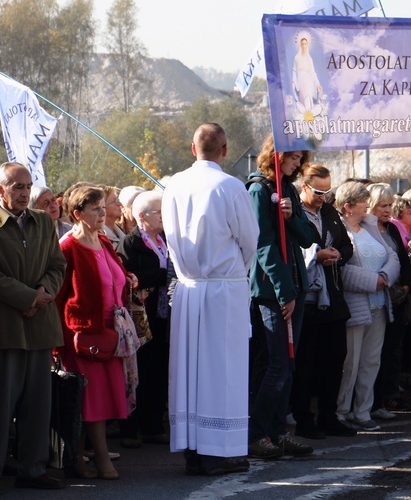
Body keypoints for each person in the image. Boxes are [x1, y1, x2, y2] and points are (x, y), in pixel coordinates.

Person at [162, 123, 258, 475]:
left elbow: (170, 240)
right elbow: (250, 239)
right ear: (225, 150)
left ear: (192, 149)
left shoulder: (174, 185)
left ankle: (193, 447)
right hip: (223, 287)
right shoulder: (230, 186)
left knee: (191, 369)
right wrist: (236, 274)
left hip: (188, 287)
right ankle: (219, 451)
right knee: (223, 369)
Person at [0, 162, 66, 496]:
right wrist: (28, 298)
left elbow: (57, 265)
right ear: (0, 190)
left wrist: (42, 294)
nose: (25, 193)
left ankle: (33, 469)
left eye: (28, 186)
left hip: (40, 324)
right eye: (17, 187)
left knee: (39, 405)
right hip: (6, 324)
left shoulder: (42, 221)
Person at [56, 184, 137, 480]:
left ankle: (79, 458)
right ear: (77, 214)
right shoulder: (67, 247)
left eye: (104, 207)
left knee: (97, 402)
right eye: (96, 209)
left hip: (110, 334)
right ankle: (100, 460)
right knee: (89, 402)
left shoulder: (103, 241)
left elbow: (114, 279)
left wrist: (129, 280)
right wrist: (58, 346)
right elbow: (58, 298)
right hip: (83, 337)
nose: (103, 213)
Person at [248, 134, 318, 459]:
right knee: (276, 362)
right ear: (277, 155)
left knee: (286, 363)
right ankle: (258, 433)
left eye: (300, 160)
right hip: (272, 289)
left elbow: (308, 238)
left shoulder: (289, 190)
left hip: (295, 284)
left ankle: (277, 431)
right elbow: (262, 245)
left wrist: (291, 218)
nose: (296, 165)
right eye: (292, 158)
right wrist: (283, 291)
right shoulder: (259, 190)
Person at [290, 164, 355, 439]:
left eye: (328, 192)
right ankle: (304, 419)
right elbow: (292, 249)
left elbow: (347, 246)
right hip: (306, 300)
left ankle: (329, 416)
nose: (323, 197)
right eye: (318, 191)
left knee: (334, 358)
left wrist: (338, 254)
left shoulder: (329, 211)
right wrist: (314, 257)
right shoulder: (293, 213)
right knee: (305, 364)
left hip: (332, 298)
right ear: (303, 187)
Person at [333, 182, 399, 431]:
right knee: (349, 363)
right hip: (355, 306)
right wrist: (373, 281)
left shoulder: (370, 227)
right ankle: (341, 412)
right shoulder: (338, 231)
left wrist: (385, 276)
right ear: (349, 206)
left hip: (380, 305)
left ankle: (362, 412)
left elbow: (391, 255)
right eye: (364, 201)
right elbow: (341, 269)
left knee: (371, 361)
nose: (367, 205)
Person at [117, 190, 171, 448]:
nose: (162, 217)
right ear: (141, 215)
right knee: (140, 371)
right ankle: (130, 428)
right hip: (141, 316)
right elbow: (130, 277)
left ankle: (153, 425)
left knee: (159, 370)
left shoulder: (165, 240)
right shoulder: (131, 242)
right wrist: (160, 276)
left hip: (163, 315)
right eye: (157, 212)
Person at [368, 184, 411, 421]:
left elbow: (403, 260)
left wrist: (406, 285)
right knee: (374, 353)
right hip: (375, 299)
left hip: (397, 299)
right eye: (382, 206)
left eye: (389, 206)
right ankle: (372, 401)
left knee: (392, 350)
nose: (387, 210)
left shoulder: (393, 229)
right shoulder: (364, 230)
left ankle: (389, 393)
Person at [292, 32, 322, 110]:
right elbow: (294, 71)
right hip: (300, 80)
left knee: (308, 97)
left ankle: (311, 116)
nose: (304, 46)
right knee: (302, 99)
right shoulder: (297, 58)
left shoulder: (309, 59)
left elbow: (313, 72)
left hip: (308, 80)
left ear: (307, 45)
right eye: (302, 44)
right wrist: (294, 82)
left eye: (305, 44)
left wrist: (317, 84)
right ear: (300, 45)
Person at [102, 186, 126, 250]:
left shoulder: (121, 231)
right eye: (114, 201)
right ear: (102, 207)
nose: (119, 204)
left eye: (118, 200)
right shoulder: (99, 237)